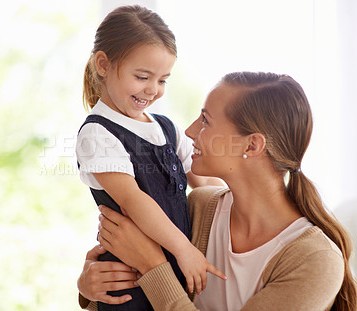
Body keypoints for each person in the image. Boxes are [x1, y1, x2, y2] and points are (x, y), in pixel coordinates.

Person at [78, 72, 357, 310]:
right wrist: (91, 287)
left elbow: (154, 272)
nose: (188, 131)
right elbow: (138, 294)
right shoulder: (199, 208)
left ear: (251, 146)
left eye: (205, 121)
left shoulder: (316, 260)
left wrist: (153, 266)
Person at [76, 5, 225, 311]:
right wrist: (184, 249)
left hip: (170, 271)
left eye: (162, 80)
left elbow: (204, 182)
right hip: (128, 281)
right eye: (143, 76)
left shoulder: (165, 127)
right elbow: (134, 201)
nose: (154, 90)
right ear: (103, 64)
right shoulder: (97, 134)